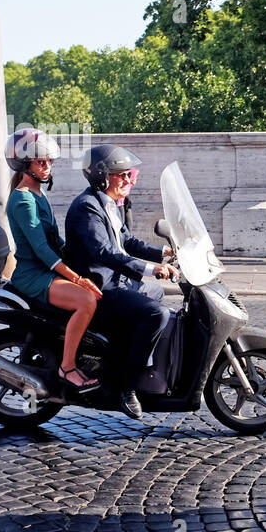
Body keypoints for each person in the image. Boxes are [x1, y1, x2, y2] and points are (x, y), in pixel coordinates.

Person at [64, 144, 179, 420]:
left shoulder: (108, 203)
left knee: (155, 294)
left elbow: (126, 241)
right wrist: (152, 269)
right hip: (100, 287)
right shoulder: (86, 208)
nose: (129, 179)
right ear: (103, 177)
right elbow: (106, 252)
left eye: (130, 174)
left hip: (115, 281)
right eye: (122, 174)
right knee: (156, 313)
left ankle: (127, 352)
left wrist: (163, 252)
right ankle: (127, 387)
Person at [3, 129, 103, 391]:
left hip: (47, 271)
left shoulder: (38, 194)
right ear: (24, 164)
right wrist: (77, 279)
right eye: (40, 161)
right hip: (33, 274)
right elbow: (41, 249)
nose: (47, 166)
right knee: (86, 300)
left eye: (49, 161)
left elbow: (56, 243)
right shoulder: (23, 199)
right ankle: (67, 367)